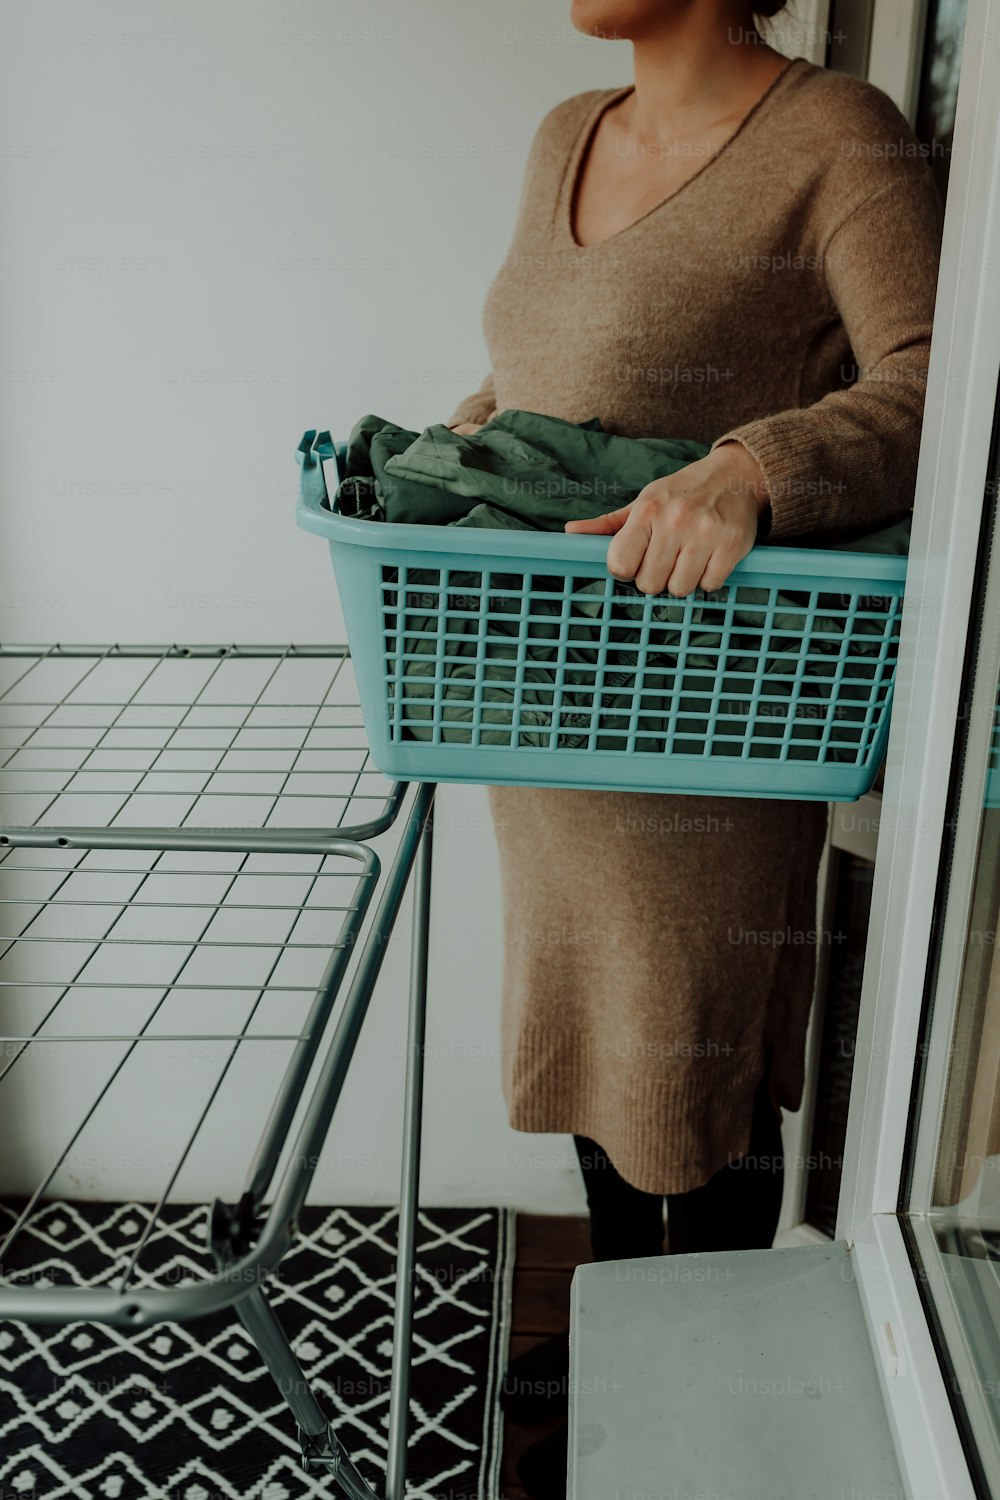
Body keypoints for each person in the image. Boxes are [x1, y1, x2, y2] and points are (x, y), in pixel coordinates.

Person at [445, 2, 943, 1494]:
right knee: (599, 1040)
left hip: (710, 734)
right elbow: (547, 388)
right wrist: (462, 444)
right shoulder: (562, 136)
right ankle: (623, 1320)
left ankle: (707, 1400)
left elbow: (933, 389)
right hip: (548, 714)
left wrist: (751, 470)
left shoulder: (837, 139)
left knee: (695, 1063)